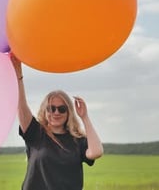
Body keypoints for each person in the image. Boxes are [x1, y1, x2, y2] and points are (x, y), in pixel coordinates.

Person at [11, 54, 104, 190]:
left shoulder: (77, 140)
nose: (56, 113)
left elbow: (96, 152)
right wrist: (18, 77)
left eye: (62, 109)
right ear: (45, 110)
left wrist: (85, 117)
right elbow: (21, 106)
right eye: (51, 108)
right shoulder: (35, 132)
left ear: (68, 113)